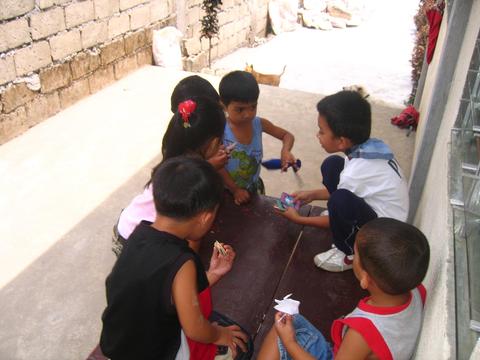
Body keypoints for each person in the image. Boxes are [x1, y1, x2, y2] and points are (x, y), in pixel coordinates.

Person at [100, 156, 248, 359]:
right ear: (205, 217)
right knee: (237, 346)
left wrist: (213, 273)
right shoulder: (182, 261)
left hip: (118, 344)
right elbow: (195, 328)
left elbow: (163, 290)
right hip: (156, 353)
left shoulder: (138, 235)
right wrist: (219, 334)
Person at [257, 218, 430, 360]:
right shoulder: (415, 290)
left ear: (365, 279)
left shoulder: (361, 334)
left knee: (281, 331)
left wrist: (290, 343)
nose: (352, 257)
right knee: (291, 321)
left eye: (355, 255)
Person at [276, 90, 409, 272]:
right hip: (381, 212)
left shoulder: (356, 171)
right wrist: (313, 195)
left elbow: (342, 198)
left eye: (321, 131)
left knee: (339, 201)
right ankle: (342, 219)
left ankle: (349, 253)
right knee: (332, 165)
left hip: (385, 234)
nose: (317, 135)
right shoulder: (364, 149)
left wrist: (299, 219)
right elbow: (353, 189)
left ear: (341, 141)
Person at [112, 87, 227, 256]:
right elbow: (193, 239)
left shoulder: (175, 157)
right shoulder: (195, 183)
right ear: (213, 143)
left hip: (127, 223)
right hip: (137, 244)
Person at [218, 70, 297, 205]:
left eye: (253, 107)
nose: (248, 114)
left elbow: (287, 135)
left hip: (253, 187)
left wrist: (285, 151)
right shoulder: (220, 130)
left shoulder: (259, 124)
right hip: (226, 192)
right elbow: (217, 166)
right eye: (240, 109)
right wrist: (235, 190)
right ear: (224, 106)